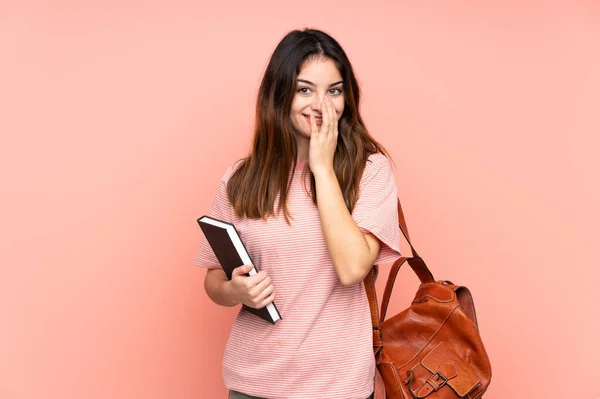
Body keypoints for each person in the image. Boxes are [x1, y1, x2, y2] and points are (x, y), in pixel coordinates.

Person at [195, 28, 402, 399]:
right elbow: (213, 279)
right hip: (252, 382)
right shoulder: (240, 179)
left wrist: (322, 169)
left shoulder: (369, 170)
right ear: (279, 95)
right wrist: (234, 290)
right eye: (305, 89)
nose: (321, 105)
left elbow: (353, 268)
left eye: (334, 90)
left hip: (336, 387)